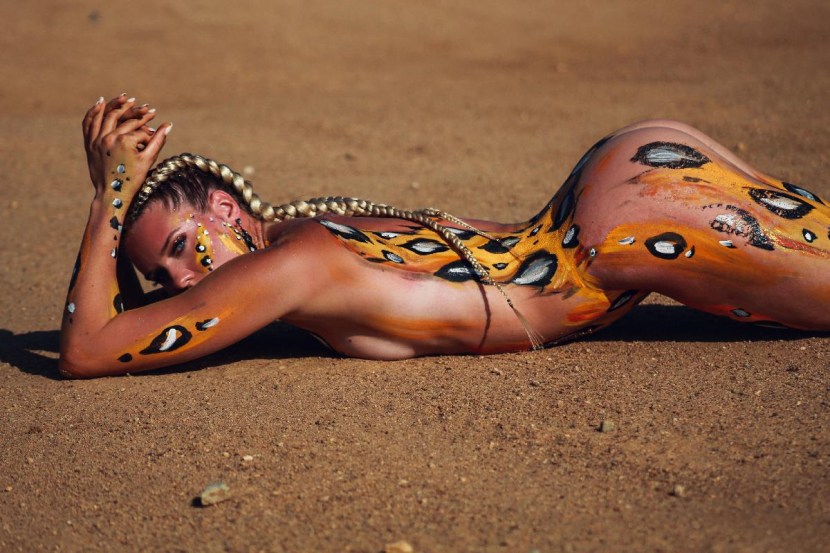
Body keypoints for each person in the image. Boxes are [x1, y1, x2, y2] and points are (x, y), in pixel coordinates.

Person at [59, 94, 830, 378]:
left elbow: (89, 347)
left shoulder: (289, 265)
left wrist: (109, 199)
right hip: (621, 183)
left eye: (179, 249)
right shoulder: (310, 227)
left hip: (625, 230)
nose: (182, 284)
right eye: (161, 279)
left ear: (228, 211)